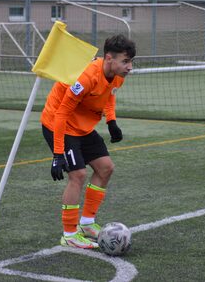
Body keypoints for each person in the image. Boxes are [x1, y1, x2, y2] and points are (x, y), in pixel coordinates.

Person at [41, 34, 136, 248]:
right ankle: (70, 235)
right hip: (59, 124)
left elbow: (109, 94)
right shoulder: (86, 77)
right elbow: (61, 113)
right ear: (109, 58)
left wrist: (111, 121)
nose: (129, 67)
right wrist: (58, 155)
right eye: (125, 61)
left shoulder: (118, 75)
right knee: (78, 175)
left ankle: (86, 224)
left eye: (131, 61)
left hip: (82, 126)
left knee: (105, 168)